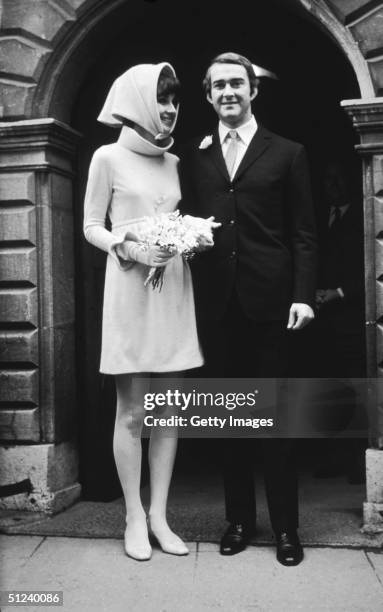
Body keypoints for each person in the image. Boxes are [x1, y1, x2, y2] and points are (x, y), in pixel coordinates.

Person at [179, 52, 317, 565]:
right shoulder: (195, 155)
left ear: (253, 89)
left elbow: (304, 233)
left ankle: (286, 529)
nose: (228, 92)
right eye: (218, 86)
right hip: (216, 306)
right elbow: (184, 221)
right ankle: (238, 520)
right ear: (209, 95)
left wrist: (303, 294)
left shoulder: (288, 152)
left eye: (237, 83)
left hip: (272, 305)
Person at [83, 62, 204, 561]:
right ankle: (134, 514)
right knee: (133, 411)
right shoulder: (106, 156)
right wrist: (125, 246)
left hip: (172, 286)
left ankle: (160, 515)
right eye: (162, 101)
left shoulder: (175, 163)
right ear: (135, 103)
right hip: (130, 286)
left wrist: (191, 241)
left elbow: (177, 219)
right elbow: (92, 224)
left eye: (175, 102)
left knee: (170, 411)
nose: (171, 110)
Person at [313, 158, 366, 481]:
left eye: (338, 179)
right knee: (329, 391)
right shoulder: (321, 219)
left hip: (355, 320)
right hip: (322, 322)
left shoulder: (365, 216)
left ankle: (360, 461)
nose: (332, 186)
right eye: (327, 180)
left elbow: (374, 267)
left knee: (357, 390)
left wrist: (340, 293)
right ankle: (335, 457)